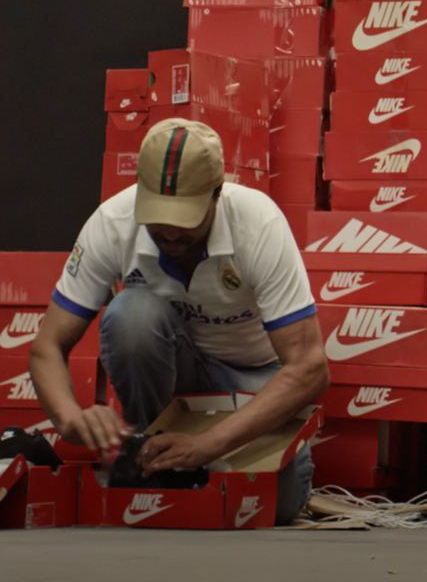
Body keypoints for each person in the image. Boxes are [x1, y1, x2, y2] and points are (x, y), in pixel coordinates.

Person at [28, 119, 327, 523]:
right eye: (156, 216)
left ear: (217, 193)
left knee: (279, 506)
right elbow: (47, 347)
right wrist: (69, 419)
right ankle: (152, 450)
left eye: (185, 218)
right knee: (131, 314)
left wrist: (210, 444)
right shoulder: (112, 223)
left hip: (252, 379)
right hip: (177, 379)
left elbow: (309, 368)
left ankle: (186, 461)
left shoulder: (259, 224)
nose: (169, 232)